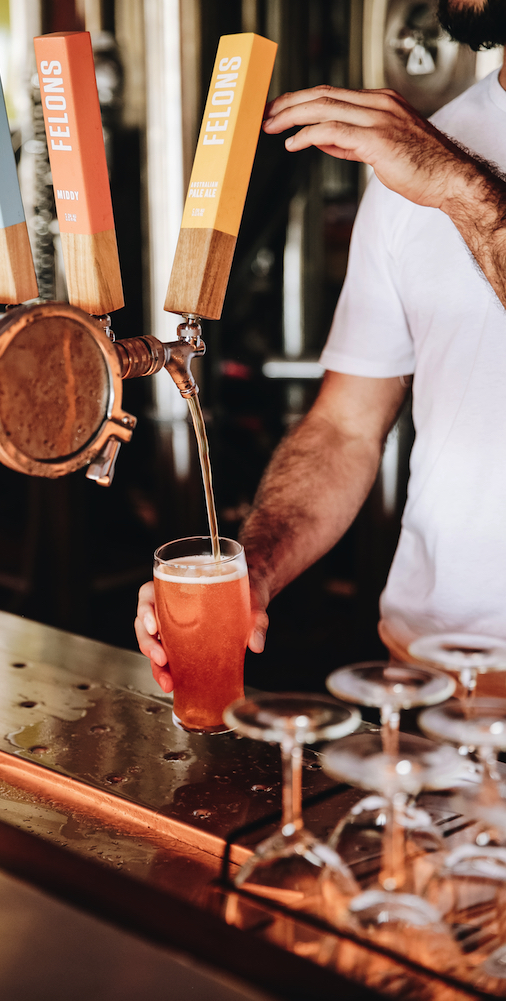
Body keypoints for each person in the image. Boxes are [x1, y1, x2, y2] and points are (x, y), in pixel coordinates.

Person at [135, 0, 506, 693]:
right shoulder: (424, 148)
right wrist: (252, 568)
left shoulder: (434, 163)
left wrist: (460, 188)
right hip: (425, 686)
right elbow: (345, 426)